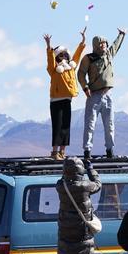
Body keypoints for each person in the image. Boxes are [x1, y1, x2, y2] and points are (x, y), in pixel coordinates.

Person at [55, 157, 102, 254]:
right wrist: (91, 169)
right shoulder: (85, 186)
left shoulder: (61, 187)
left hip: (65, 232)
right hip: (83, 231)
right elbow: (98, 184)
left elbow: (63, 178)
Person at [77, 28, 127, 159]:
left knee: (109, 125)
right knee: (90, 124)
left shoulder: (109, 55)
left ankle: (110, 150)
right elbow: (80, 73)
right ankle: (87, 151)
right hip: (94, 95)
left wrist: (121, 35)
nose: (104, 45)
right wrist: (85, 88)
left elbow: (116, 45)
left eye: (105, 43)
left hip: (108, 95)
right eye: (101, 43)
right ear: (96, 45)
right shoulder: (88, 58)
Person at [43, 27, 87, 160]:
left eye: (65, 55)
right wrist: (49, 46)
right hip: (55, 100)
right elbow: (50, 59)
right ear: (57, 58)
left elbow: (77, 55)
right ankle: (54, 152)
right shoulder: (54, 69)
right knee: (57, 126)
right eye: (60, 55)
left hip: (67, 100)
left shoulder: (71, 67)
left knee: (66, 126)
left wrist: (83, 41)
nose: (63, 57)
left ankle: (62, 151)